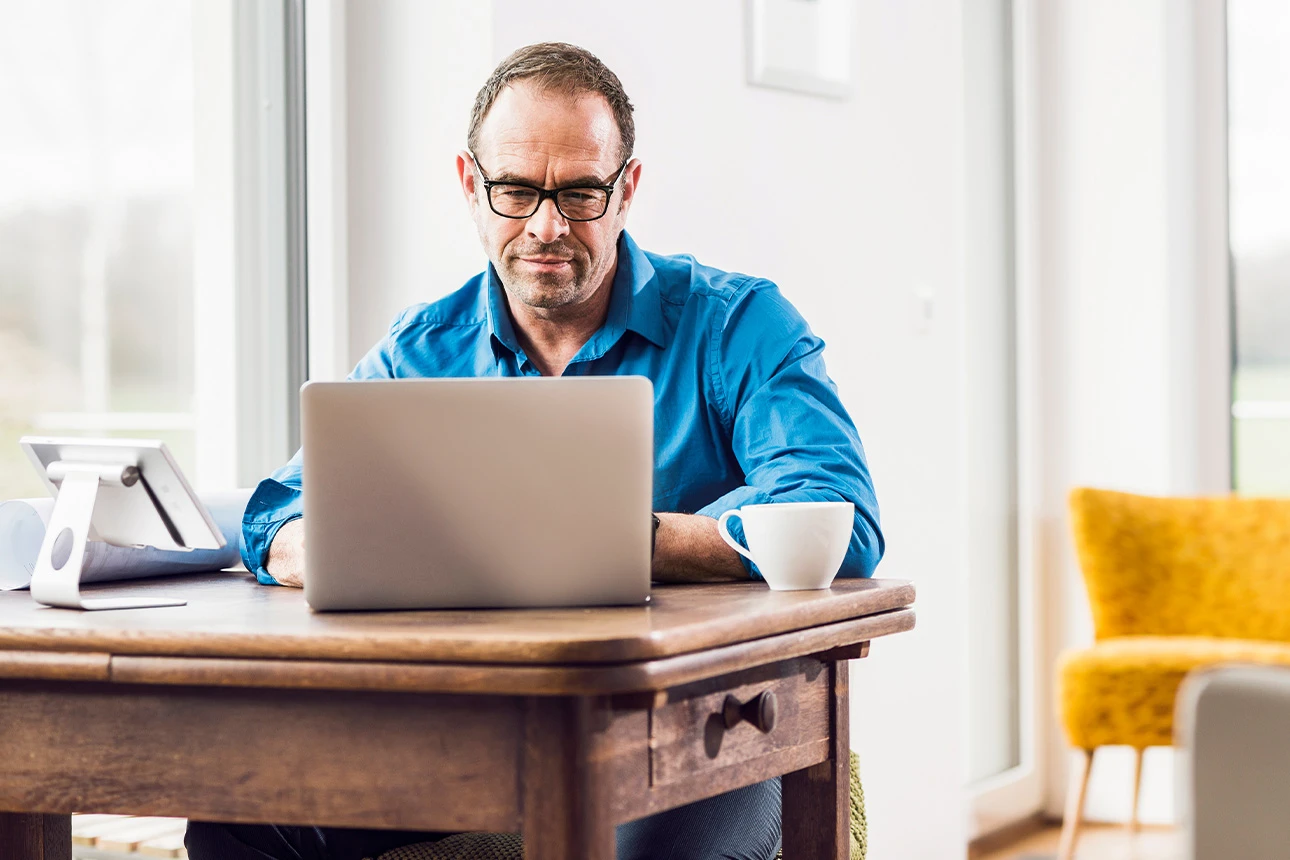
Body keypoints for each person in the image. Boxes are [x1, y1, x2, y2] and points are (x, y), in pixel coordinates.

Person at [186, 41, 882, 860]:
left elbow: (836, 513)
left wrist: (619, 539)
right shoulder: (422, 350)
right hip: (468, 736)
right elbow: (280, 511)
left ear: (626, 189)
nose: (545, 227)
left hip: (710, 734)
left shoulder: (739, 327)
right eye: (515, 190)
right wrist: (331, 545)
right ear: (470, 186)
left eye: (581, 192)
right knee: (235, 816)